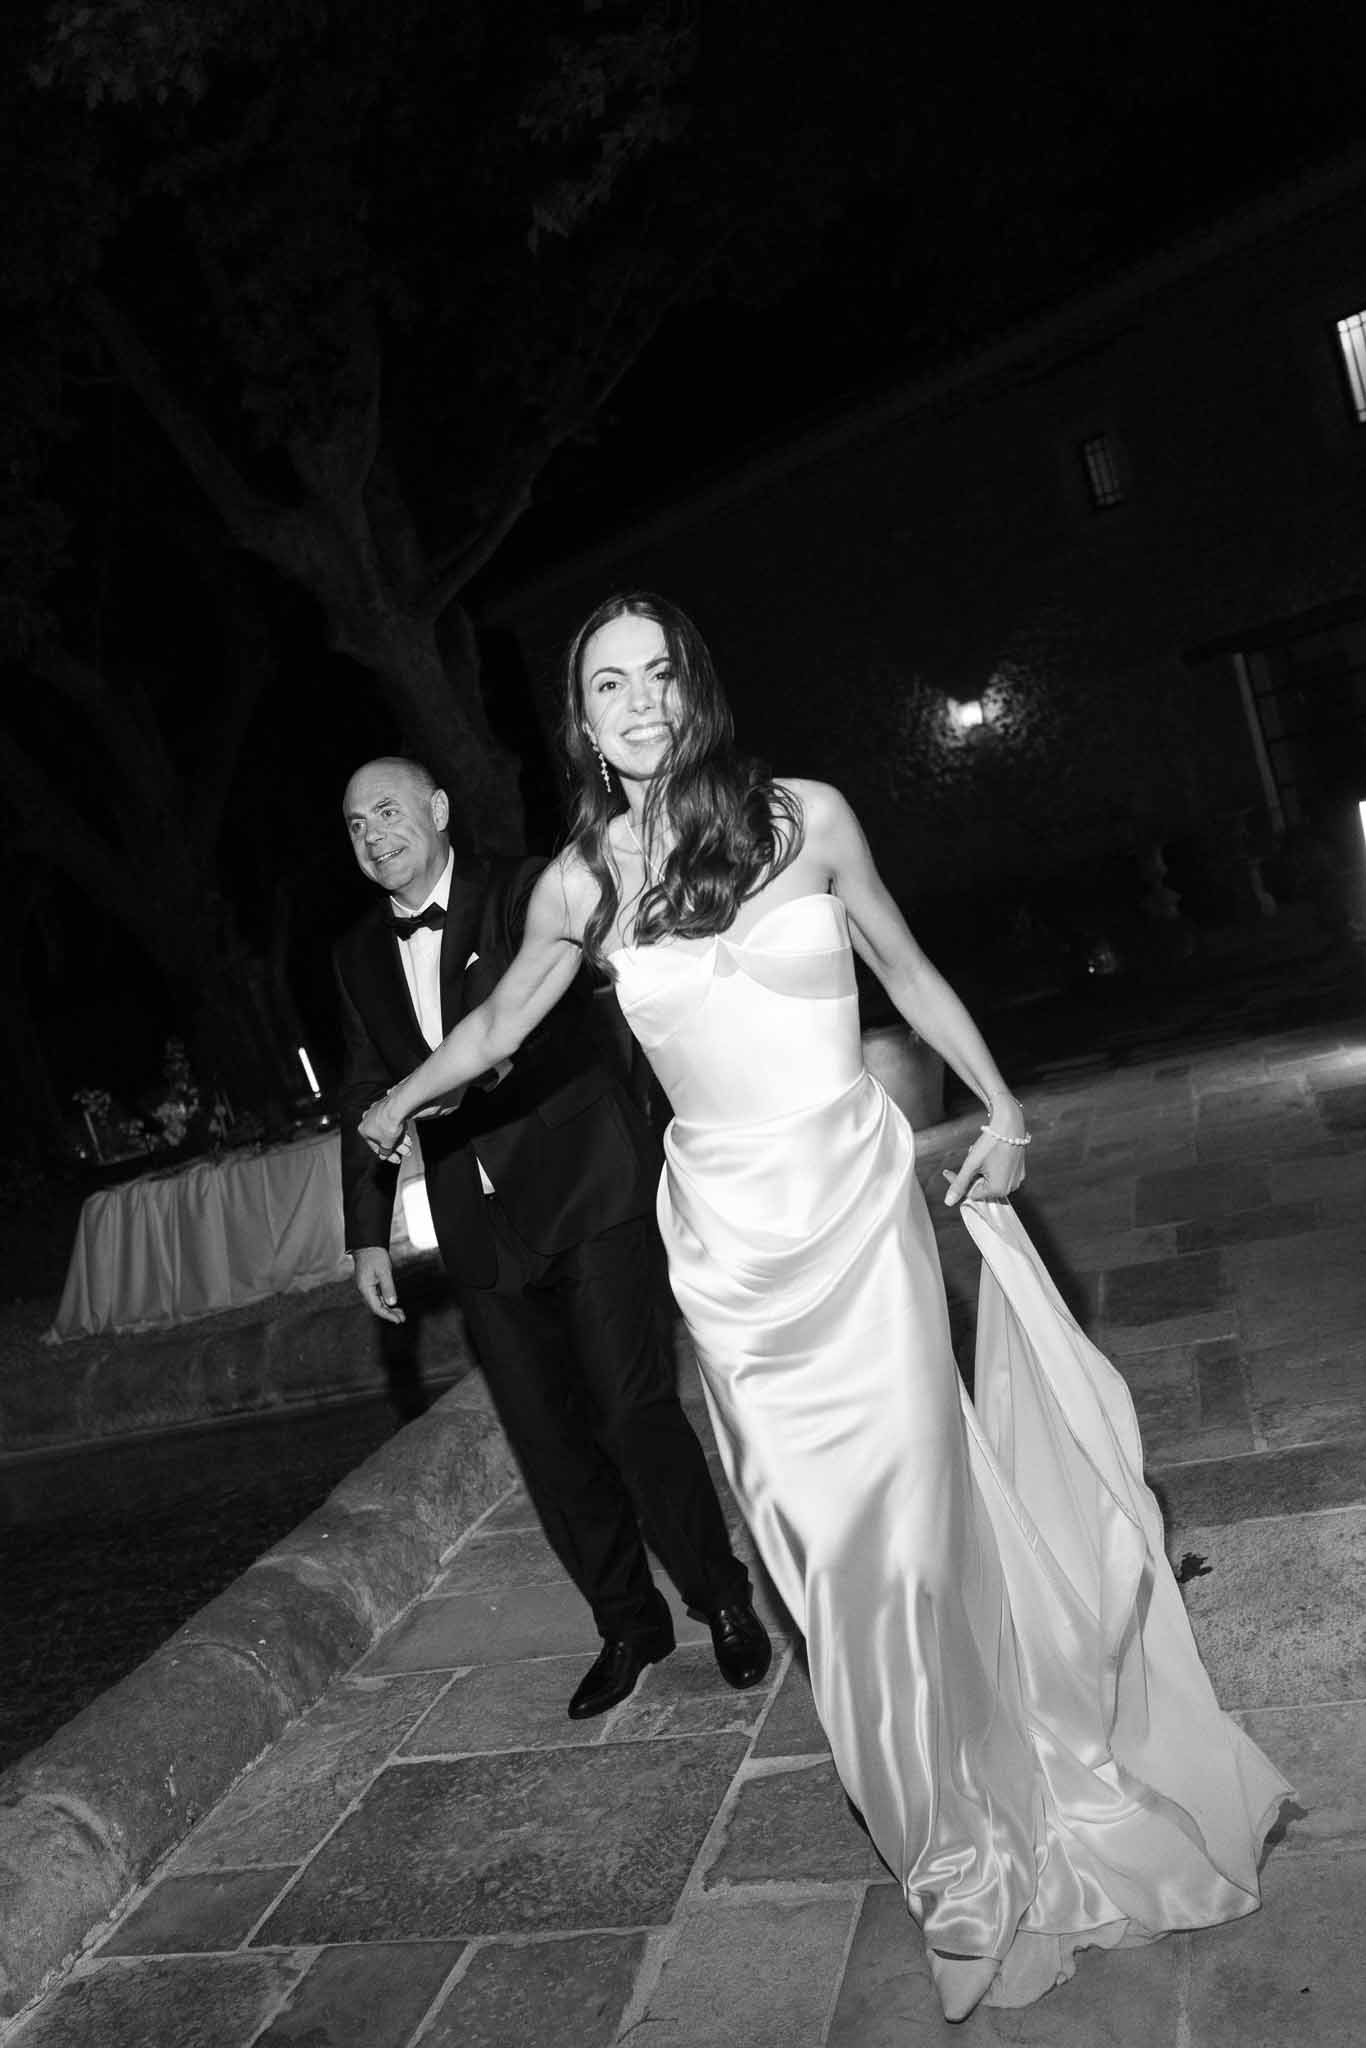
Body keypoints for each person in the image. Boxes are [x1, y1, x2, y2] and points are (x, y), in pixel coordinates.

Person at [357, 601, 1289, 2023]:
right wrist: (399, 1101)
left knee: (908, 1525)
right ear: (578, 719)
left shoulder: (809, 818)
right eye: (606, 684)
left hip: (854, 1211)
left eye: (657, 673)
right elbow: (491, 1033)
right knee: (827, 1561)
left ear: (694, 689)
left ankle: (988, 1817)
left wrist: (1001, 1105)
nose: (637, 702)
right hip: (728, 1254)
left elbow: (905, 970)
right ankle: (945, 1857)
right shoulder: (580, 884)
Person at [334, 755, 771, 1721]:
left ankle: (722, 1597)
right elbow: (363, 1087)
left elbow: (541, 1027)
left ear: (440, 810)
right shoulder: (357, 952)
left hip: (584, 1180)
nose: (375, 835)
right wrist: (368, 1233)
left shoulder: (531, 885)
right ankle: (628, 1624)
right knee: (546, 1437)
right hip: (473, 1218)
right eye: (358, 825)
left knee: (631, 1408)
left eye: (390, 812)